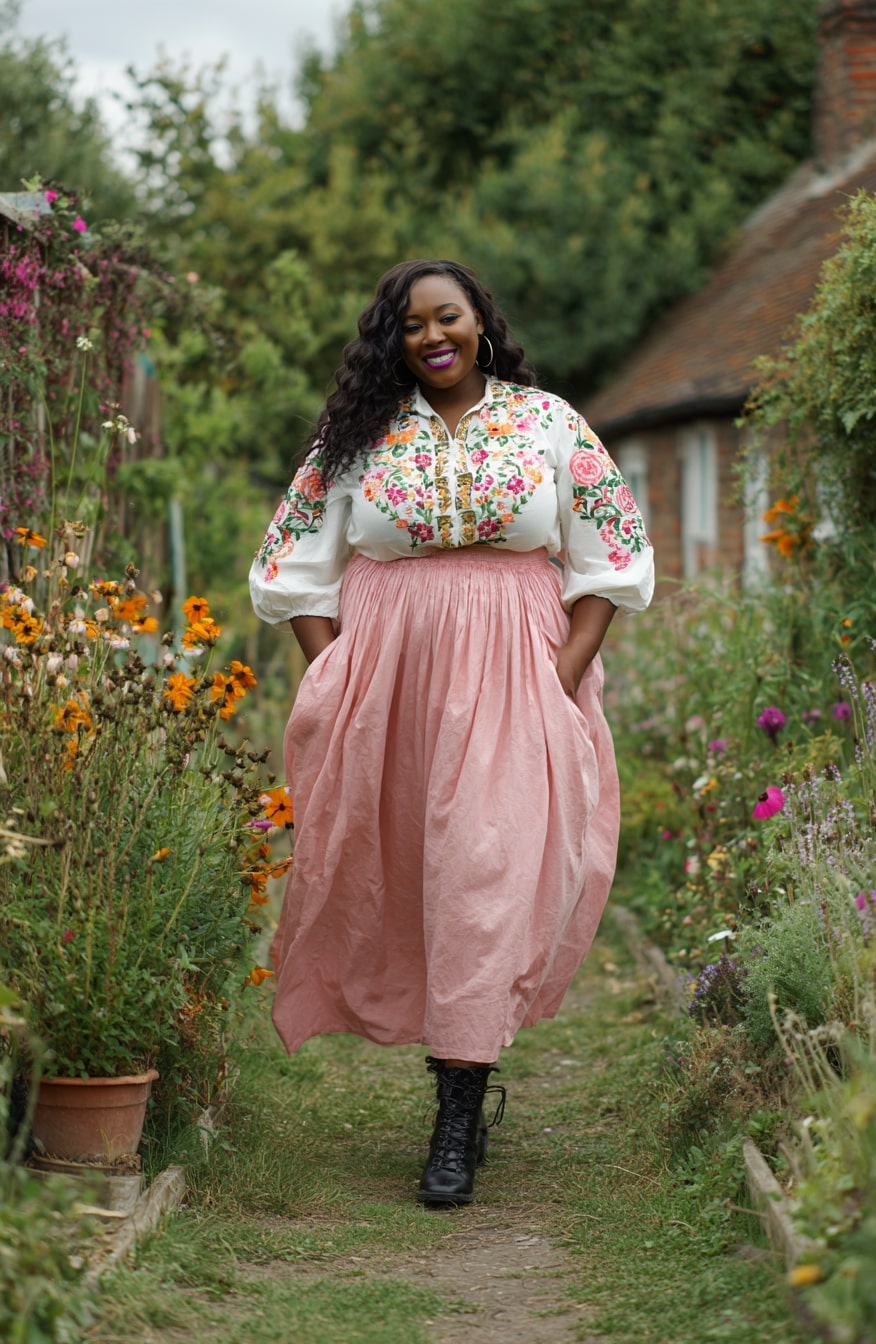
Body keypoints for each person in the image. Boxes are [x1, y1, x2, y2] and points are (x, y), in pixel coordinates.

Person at [249, 259, 654, 1206]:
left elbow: (611, 562)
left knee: (483, 871)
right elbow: (294, 566)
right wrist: (334, 669)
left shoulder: (549, 424)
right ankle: (451, 1083)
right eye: (411, 325)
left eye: (448, 318)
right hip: (389, 681)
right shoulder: (356, 437)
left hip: (517, 671)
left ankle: (457, 1116)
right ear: (392, 340)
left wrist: (557, 679)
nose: (432, 337)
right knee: (404, 873)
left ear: (480, 324)